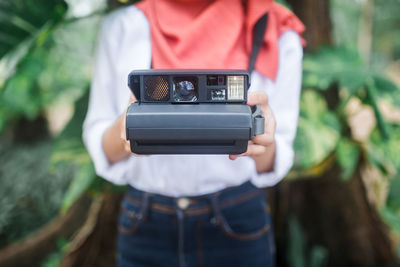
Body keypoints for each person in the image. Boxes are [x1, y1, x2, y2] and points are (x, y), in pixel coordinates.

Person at [83, 0, 305, 266]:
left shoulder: (275, 31)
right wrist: (129, 126)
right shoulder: (123, 26)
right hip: (145, 220)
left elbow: (275, 158)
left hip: (236, 218)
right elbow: (101, 143)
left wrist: (259, 136)